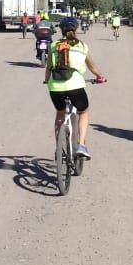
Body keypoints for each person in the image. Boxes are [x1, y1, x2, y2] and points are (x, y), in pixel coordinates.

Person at [45, 16, 104, 159]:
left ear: (61, 30)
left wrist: (47, 80)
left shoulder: (53, 46)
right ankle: (81, 145)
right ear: (76, 29)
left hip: (55, 88)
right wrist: (100, 76)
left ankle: (59, 150)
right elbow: (92, 66)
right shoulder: (82, 46)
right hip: (76, 87)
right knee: (83, 112)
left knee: (60, 113)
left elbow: (49, 67)